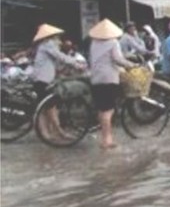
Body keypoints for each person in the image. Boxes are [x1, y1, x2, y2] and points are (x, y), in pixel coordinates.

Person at [31, 23, 86, 141]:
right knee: (50, 108)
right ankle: (57, 132)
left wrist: (69, 66)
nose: (59, 41)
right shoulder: (48, 44)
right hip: (43, 80)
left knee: (46, 109)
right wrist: (76, 64)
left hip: (42, 79)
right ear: (52, 36)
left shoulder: (43, 46)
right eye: (57, 37)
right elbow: (61, 57)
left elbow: (58, 62)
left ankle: (49, 132)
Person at [88, 19, 136, 149]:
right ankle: (107, 140)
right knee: (108, 110)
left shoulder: (93, 43)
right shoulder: (113, 42)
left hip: (95, 79)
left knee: (101, 110)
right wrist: (130, 65)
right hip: (108, 79)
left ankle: (105, 138)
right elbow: (117, 59)